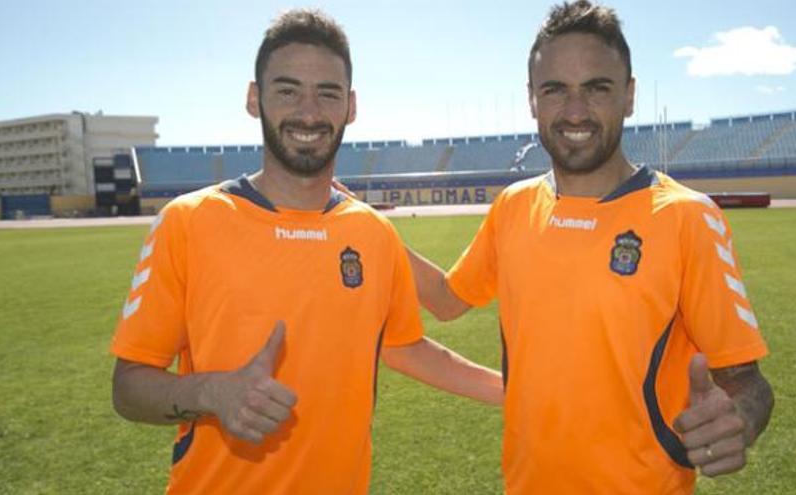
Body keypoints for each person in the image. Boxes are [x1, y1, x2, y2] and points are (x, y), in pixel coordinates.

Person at [110, 9, 502, 494]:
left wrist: (513, 390)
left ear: (351, 106)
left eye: (328, 93)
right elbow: (128, 386)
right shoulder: (188, 221)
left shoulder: (372, 233)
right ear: (255, 99)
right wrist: (211, 392)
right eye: (288, 90)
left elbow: (407, 349)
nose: (309, 113)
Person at [407, 1, 774, 493]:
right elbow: (447, 300)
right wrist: (364, 226)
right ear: (533, 100)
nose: (575, 111)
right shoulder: (514, 206)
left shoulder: (687, 217)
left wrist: (741, 419)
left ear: (629, 95)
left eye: (596, 88)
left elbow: (747, 383)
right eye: (555, 90)